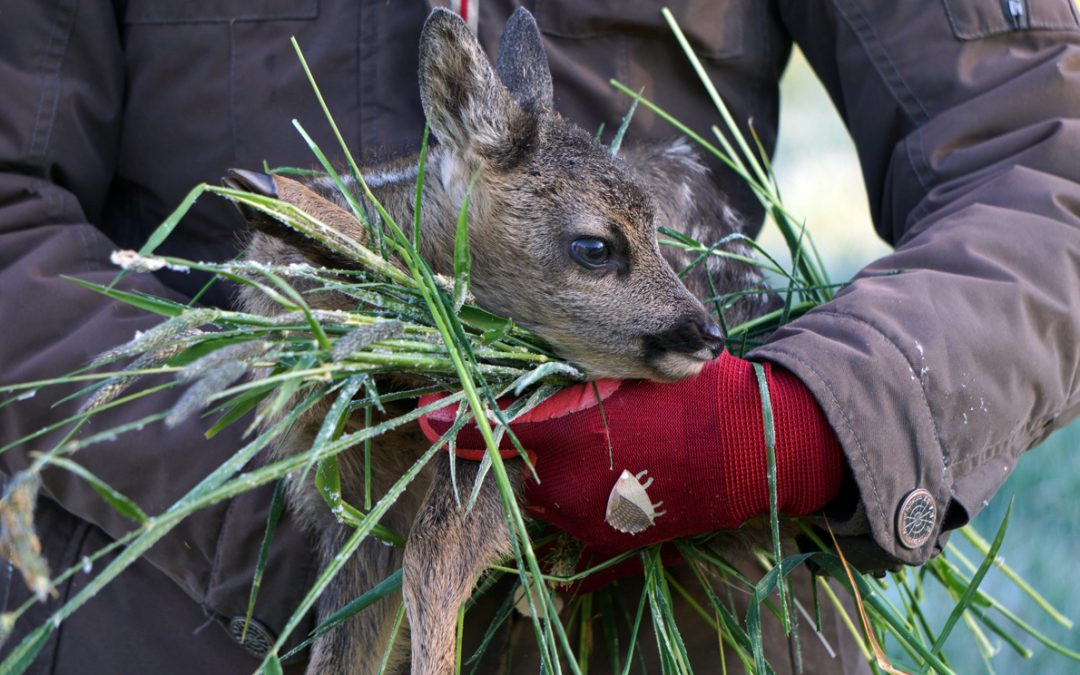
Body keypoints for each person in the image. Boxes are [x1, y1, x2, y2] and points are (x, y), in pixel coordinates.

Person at [2, 1, 1078, 673]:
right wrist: (316, 499)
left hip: (690, 591)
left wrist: (793, 426)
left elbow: (1044, 158)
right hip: (204, 611)